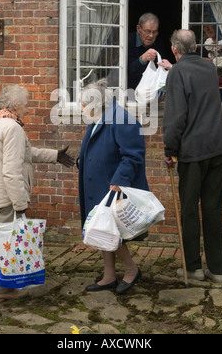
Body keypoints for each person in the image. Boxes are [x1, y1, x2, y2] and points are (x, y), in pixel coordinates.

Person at [0, 85, 75, 302]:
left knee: (0, 233)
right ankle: (1, 291)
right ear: (15, 105)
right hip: (8, 194)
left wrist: (54, 156)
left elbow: (24, 153)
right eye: (25, 104)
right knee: (8, 240)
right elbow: (12, 170)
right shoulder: (13, 128)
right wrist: (20, 202)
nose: (27, 109)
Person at [163, 30, 222, 283]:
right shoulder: (209, 68)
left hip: (192, 151)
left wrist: (170, 150)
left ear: (174, 49)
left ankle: (193, 268)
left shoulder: (177, 72)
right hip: (218, 147)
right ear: (194, 46)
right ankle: (219, 269)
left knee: (190, 210)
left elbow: (176, 117)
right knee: (213, 209)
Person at [78, 79, 149, 294]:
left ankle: (131, 269)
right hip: (99, 185)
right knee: (101, 230)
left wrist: (119, 180)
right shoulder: (98, 118)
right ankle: (109, 275)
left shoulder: (122, 120)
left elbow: (134, 155)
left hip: (114, 187)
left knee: (111, 233)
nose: (81, 109)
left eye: (83, 104)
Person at [127, 13, 173, 90]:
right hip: (130, 90)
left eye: (154, 32)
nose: (151, 35)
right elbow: (125, 71)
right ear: (138, 29)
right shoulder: (128, 41)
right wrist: (142, 59)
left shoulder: (159, 43)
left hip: (152, 93)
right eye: (147, 31)